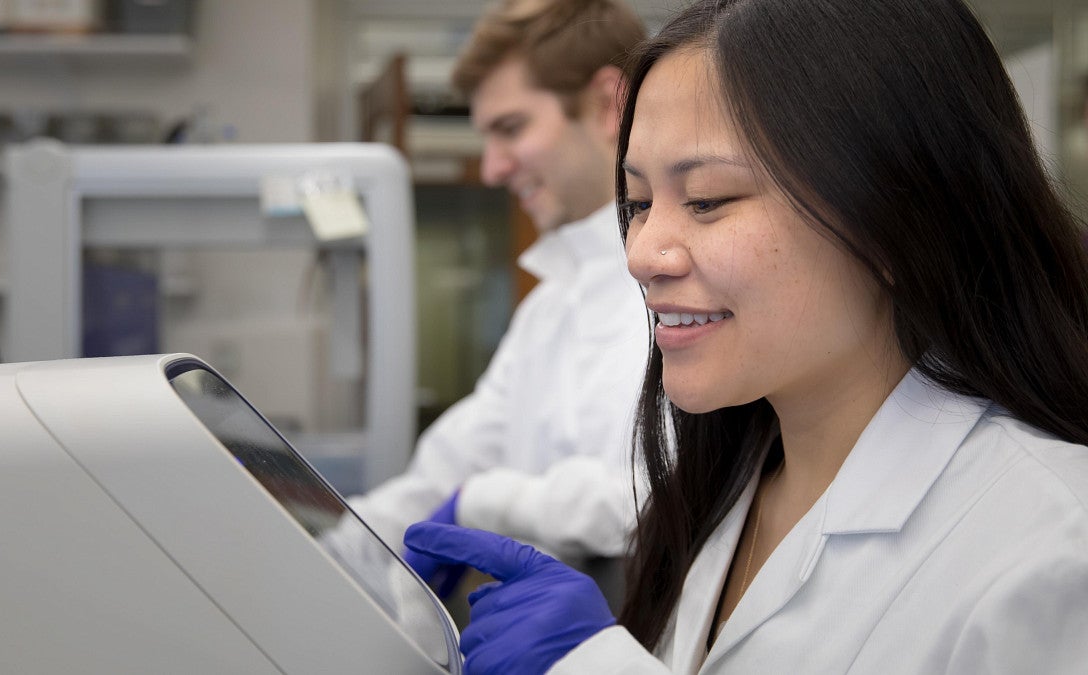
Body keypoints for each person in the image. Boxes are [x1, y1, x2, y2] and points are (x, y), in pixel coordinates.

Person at [403, 0, 1088, 672]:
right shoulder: (727, 482)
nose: (642, 254)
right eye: (638, 204)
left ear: (894, 213)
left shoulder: (1055, 548)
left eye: (707, 199)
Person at [342, 0, 650, 595]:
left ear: (611, 105)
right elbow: (451, 466)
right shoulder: (549, 308)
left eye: (511, 129)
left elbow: (654, 499)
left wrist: (486, 502)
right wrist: (325, 547)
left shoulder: (683, 290)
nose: (491, 169)